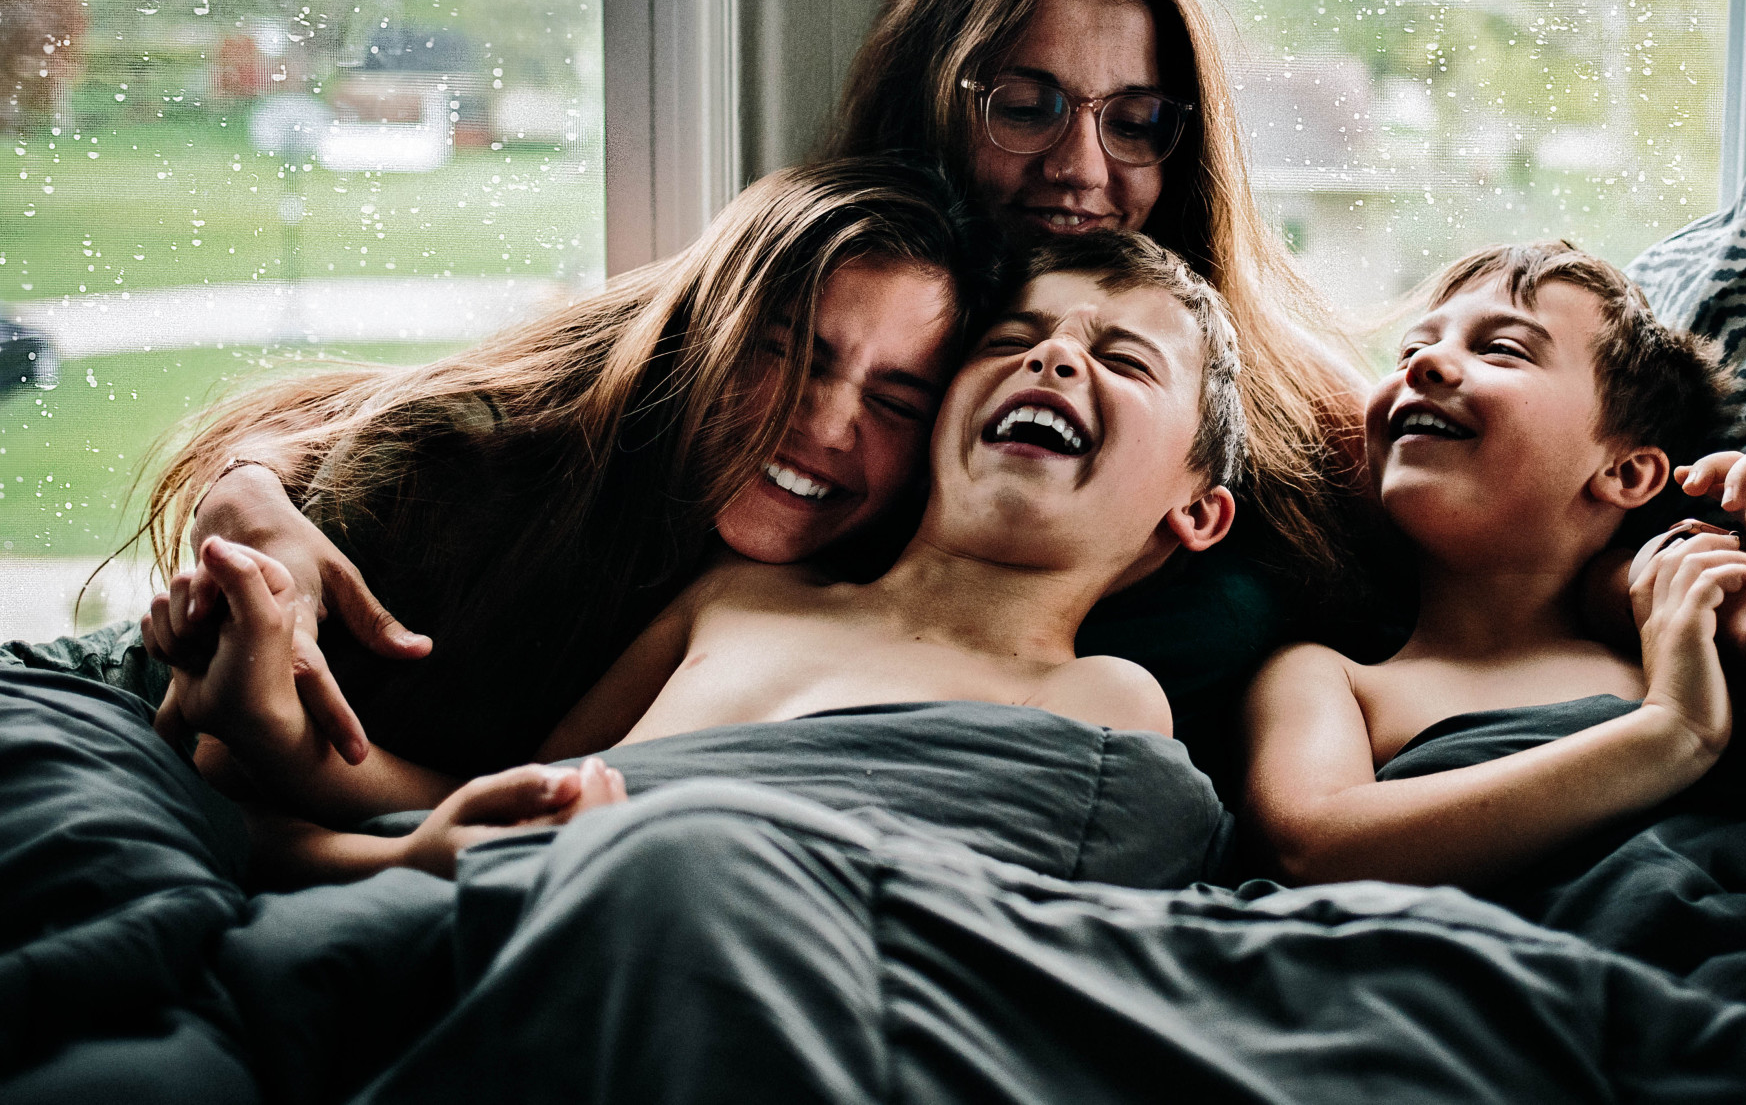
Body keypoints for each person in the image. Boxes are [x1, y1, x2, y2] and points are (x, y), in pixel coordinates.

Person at [827, 0, 1746, 812]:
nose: (1082, 166)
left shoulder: (1273, 393)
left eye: (1137, 120)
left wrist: (1709, 589)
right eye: (1025, 105)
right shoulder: (826, 350)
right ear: (929, 93)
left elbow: (1517, 522)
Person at [157, 231, 1244, 882]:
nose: (1053, 354)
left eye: (1122, 358)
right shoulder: (743, 594)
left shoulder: (1105, 696)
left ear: (1194, 514)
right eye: (1015, 340)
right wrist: (277, 731)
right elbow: (507, 809)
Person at [1242, 241, 1746, 950]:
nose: (1423, 363)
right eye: (1411, 348)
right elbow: (1314, 851)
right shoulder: (1330, 677)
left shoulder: (1702, 651)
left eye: (1504, 350)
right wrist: (1671, 736)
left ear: (1627, 470)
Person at [141, 156, 1004, 781]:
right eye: (787, 351)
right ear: (705, 332)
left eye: (896, 400)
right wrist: (249, 498)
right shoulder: (460, 472)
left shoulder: (845, 590)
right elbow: (212, 755)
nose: (825, 422)